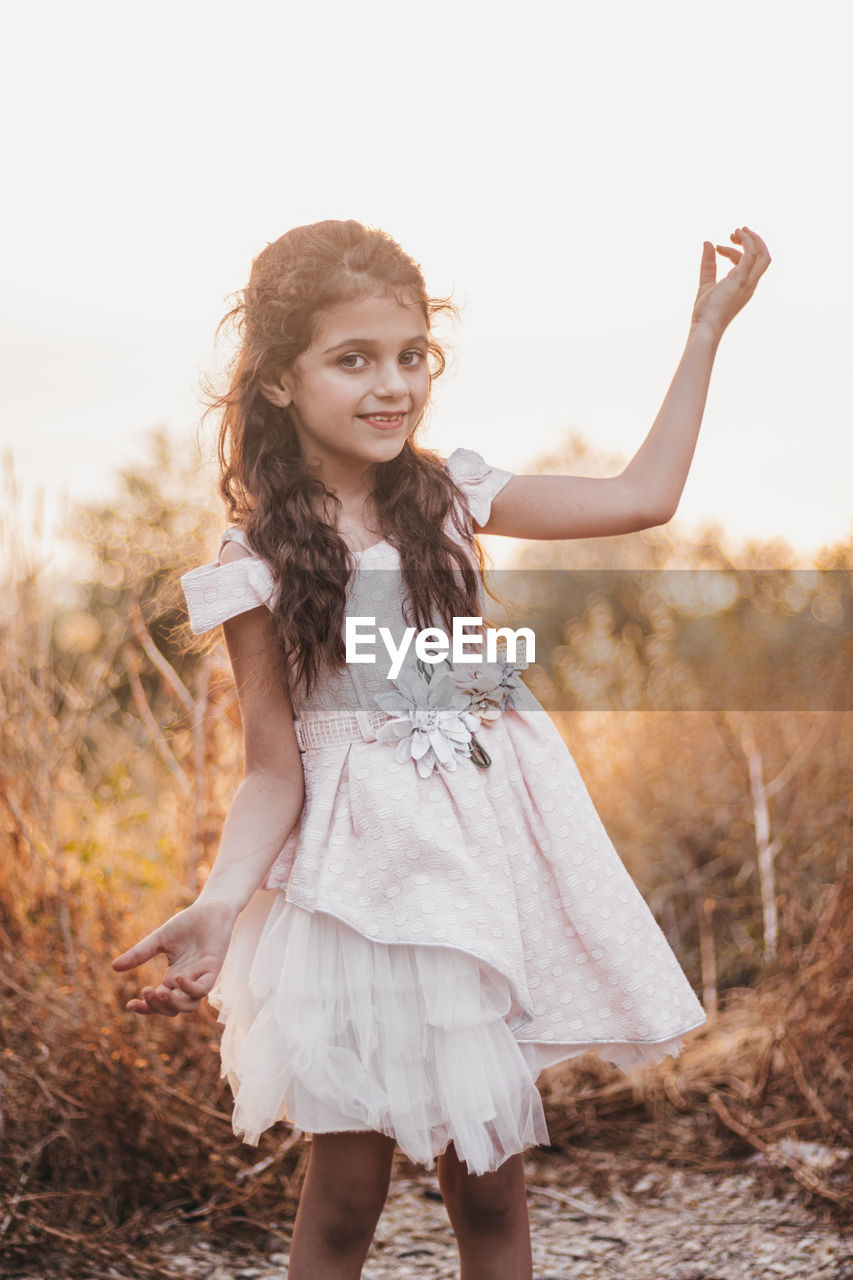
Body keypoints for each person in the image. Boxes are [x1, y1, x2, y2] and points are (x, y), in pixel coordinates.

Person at [112, 219, 770, 1279]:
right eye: (353, 358)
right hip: (361, 899)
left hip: (480, 874)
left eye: (412, 355)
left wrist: (703, 333)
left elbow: (642, 499)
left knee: (490, 1182)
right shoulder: (259, 559)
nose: (392, 385)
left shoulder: (454, 497)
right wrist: (223, 899)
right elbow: (274, 769)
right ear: (279, 380)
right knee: (343, 1197)